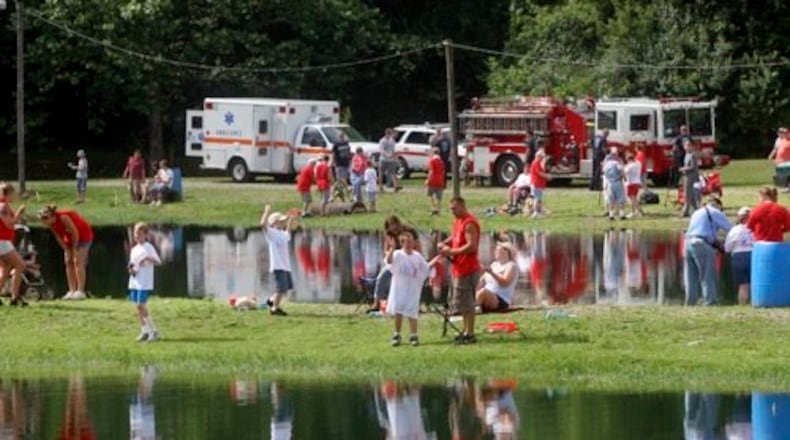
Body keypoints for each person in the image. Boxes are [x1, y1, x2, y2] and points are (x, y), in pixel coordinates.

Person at [438, 197, 481, 344]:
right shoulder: (458, 222)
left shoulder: (469, 223)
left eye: (455, 208)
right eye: (451, 209)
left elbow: (472, 246)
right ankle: (465, 330)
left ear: (463, 206)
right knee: (461, 303)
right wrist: (444, 243)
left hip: (468, 268)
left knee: (468, 303)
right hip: (458, 268)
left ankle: (470, 333)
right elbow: (455, 237)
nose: (453, 212)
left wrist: (451, 252)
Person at [683, 196, 732, 306]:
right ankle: (710, 301)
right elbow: (731, 229)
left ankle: (690, 302)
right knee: (708, 274)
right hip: (701, 244)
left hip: (687, 243)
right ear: (718, 205)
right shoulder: (715, 212)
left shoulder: (697, 212)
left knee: (690, 276)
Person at [385, 228, 430, 347]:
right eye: (406, 241)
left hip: (412, 290)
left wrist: (437, 259)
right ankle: (397, 334)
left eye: (411, 241)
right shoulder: (398, 254)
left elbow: (426, 268)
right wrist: (391, 249)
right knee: (398, 311)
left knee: (412, 312)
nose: (409, 243)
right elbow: (389, 262)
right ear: (402, 242)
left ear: (414, 243)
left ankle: (413, 335)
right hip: (399, 288)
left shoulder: (417, 256)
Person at [38, 204, 94, 300]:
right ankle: (71, 291)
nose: (44, 223)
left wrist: (75, 248)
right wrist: (65, 248)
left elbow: (75, 232)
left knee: (78, 261)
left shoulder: (63, 217)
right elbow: (57, 235)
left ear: (51, 216)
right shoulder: (51, 224)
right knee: (68, 262)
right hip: (69, 238)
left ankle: (80, 291)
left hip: (83, 236)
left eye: (45, 220)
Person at [127, 222, 162, 342]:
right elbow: (132, 264)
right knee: (138, 307)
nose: (137, 236)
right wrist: (130, 269)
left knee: (141, 304)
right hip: (135, 280)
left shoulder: (148, 247)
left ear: (146, 235)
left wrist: (148, 258)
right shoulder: (134, 249)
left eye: (140, 233)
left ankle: (153, 331)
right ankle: (144, 331)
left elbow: (158, 261)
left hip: (144, 281)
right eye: (135, 233)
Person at [260, 204, 296, 316]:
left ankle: (270, 301)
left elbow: (288, 235)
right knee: (281, 288)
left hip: (285, 265)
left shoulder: (281, 233)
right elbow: (262, 224)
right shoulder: (271, 233)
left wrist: (290, 220)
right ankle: (274, 309)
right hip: (278, 265)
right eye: (281, 221)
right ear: (274, 223)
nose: (283, 222)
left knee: (286, 287)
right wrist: (267, 211)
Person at [0, 183, 27, 306]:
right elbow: (9, 224)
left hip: (3, 242)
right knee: (20, 265)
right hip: (3, 242)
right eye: (13, 193)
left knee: (5, 269)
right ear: (7, 194)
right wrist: (19, 213)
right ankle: (15, 297)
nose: (14, 196)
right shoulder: (3, 207)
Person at [475, 241, 518, 313]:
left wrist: (491, 272)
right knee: (472, 288)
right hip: (488, 296)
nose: (495, 252)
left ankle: (473, 309)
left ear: (506, 252)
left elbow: (505, 283)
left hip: (500, 299)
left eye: (497, 250)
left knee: (483, 292)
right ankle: (475, 307)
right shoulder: (494, 264)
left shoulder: (511, 266)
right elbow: (481, 282)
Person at [724, 207, 754, 305]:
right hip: (753, 255)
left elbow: (727, 248)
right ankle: (755, 304)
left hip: (738, 256)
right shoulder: (755, 229)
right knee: (755, 283)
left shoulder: (734, 230)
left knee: (743, 285)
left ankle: (742, 305)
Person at [129, 366, 157, 440]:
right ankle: (146, 371)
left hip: (142, 420)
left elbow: (133, 434)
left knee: (143, 394)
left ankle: (146, 371)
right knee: (144, 394)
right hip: (143, 420)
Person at [603, 149, 627, 220]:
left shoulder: (606, 165)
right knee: (620, 198)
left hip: (610, 183)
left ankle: (611, 214)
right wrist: (624, 178)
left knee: (611, 199)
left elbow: (604, 173)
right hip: (617, 182)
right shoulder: (616, 163)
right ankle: (622, 214)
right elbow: (621, 170)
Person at [679, 140, 699, 217]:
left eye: (689, 145)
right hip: (686, 176)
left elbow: (693, 167)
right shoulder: (686, 155)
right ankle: (696, 209)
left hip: (690, 177)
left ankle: (685, 211)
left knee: (687, 194)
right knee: (691, 195)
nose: (688, 147)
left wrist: (684, 169)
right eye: (686, 145)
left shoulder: (692, 155)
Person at [529, 150, 552, 218]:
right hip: (536, 183)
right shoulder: (536, 163)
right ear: (538, 156)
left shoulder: (537, 163)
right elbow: (539, 173)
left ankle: (538, 212)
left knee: (539, 198)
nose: (543, 158)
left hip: (538, 184)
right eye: (542, 157)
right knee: (537, 198)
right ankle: (535, 213)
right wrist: (547, 176)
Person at [624, 153, 645, 218]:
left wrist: (625, 165)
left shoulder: (629, 166)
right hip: (637, 182)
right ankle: (633, 212)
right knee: (634, 197)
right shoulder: (638, 164)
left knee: (632, 198)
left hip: (631, 183)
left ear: (628, 159)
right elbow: (638, 161)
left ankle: (639, 211)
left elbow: (624, 172)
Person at [426, 147, 445, 216]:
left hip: (433, 180)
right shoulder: (441, 161)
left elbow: (431, 171)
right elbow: (443, 171)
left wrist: (428, 179)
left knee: (430, 195)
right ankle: (438, 211)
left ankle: (433, 208)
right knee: (439, 197)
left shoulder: (432, 160)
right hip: (440, 180)